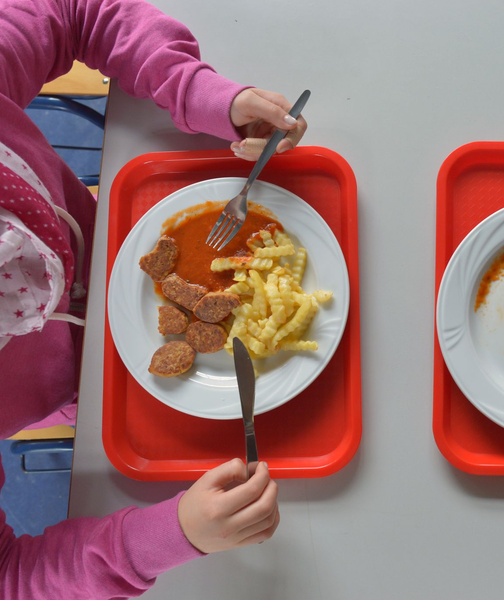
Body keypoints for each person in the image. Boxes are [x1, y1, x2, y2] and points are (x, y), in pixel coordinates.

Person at [0, 0, 308, 597]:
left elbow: (77, 13)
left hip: (127, 228)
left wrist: (201, 93)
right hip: (94, 402)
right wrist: (172, 536)